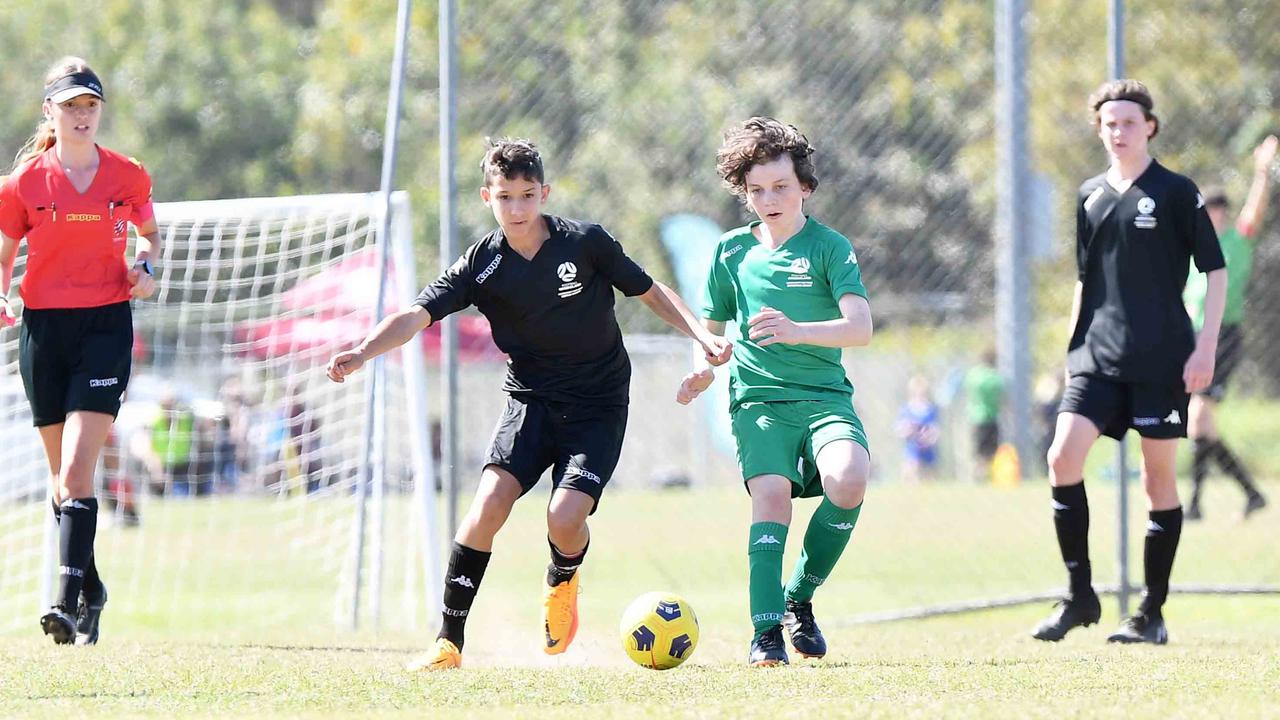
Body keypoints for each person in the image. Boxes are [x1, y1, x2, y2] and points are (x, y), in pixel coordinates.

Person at [325, 138, 731, 671]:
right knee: (486, 508)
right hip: (530, 402)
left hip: (597, 402)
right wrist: (363, 350)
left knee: (564, 515)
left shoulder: (585, 243)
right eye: (504, 197)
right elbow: (416, 315)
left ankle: (562, 578)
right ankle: (449, 642)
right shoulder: (482, 264)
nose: (516, 208)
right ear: (486, 197)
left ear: (544, 192)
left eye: (526, 195)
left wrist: (700, 333)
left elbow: (649, 290)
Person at [1033, 80, 1226, 646]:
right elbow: (1082, 279)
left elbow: (1214, 272)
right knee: (1062, 457)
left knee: (1156, 478)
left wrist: (1206, 347)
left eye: (1129, 122)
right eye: (1109, 123)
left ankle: (1151, 612)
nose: (1119, 132)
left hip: (1163, 358)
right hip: (1096, 355)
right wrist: (1071, 350)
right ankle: (1079, 596)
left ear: (1150, 127)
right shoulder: (1089, 194)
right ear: (1099, 130)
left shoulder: (1174, 191)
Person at [677, 117, 873, 666]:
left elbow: (861, 327)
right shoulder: (731, 252)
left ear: (805, 187)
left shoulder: (830, 247)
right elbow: (709, 330)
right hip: (758, 401)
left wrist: (797, 330)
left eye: (781, 186)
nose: (769, 198)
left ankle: (799, 598)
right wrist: (705, 365)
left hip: (824, 399)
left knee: (849, 480)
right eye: (756, 190)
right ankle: (766, 635)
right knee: (771, 497)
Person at [0, 57, 160, 645]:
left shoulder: (128, 175)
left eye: (90, 104)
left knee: (76, 470)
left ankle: (65, 604)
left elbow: (149, 233)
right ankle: (92, 590)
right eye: (71, 105)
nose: (82, 114)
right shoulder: (21, 185)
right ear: (51, 112)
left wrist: (145, 267)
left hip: (105, 328)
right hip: (43, 332)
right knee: (61, 484)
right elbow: (5, 249)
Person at [1182, 135, 1277, 521]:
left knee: (1198, 419)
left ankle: (1195, 504)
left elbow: (1256, 209)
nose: (1215, 214)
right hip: (1191, 336)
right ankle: (1250, 493)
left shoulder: (1236, 243)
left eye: (1221, 208)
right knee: (1199, 424)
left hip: (1223, 336)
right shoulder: (1190, 248)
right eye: (1210, 208)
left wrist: (1262, 171)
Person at [964, 349, 1004, 481]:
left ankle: (976, 476)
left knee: (978, 452)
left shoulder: (973, 375)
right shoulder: (994, 377)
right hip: (990, 417)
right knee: (990, 452)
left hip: (975, 417)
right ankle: (985, 476)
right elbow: (1001, 398)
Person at [896, 375, 941, 483]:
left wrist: (930, 436)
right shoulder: (906, 409)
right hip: (912, 446)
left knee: (929, 474)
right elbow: (900, 428)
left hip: (927, 447)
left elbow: (935, 428)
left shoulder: (930, 409)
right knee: (910, 469)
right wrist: (908, 430)